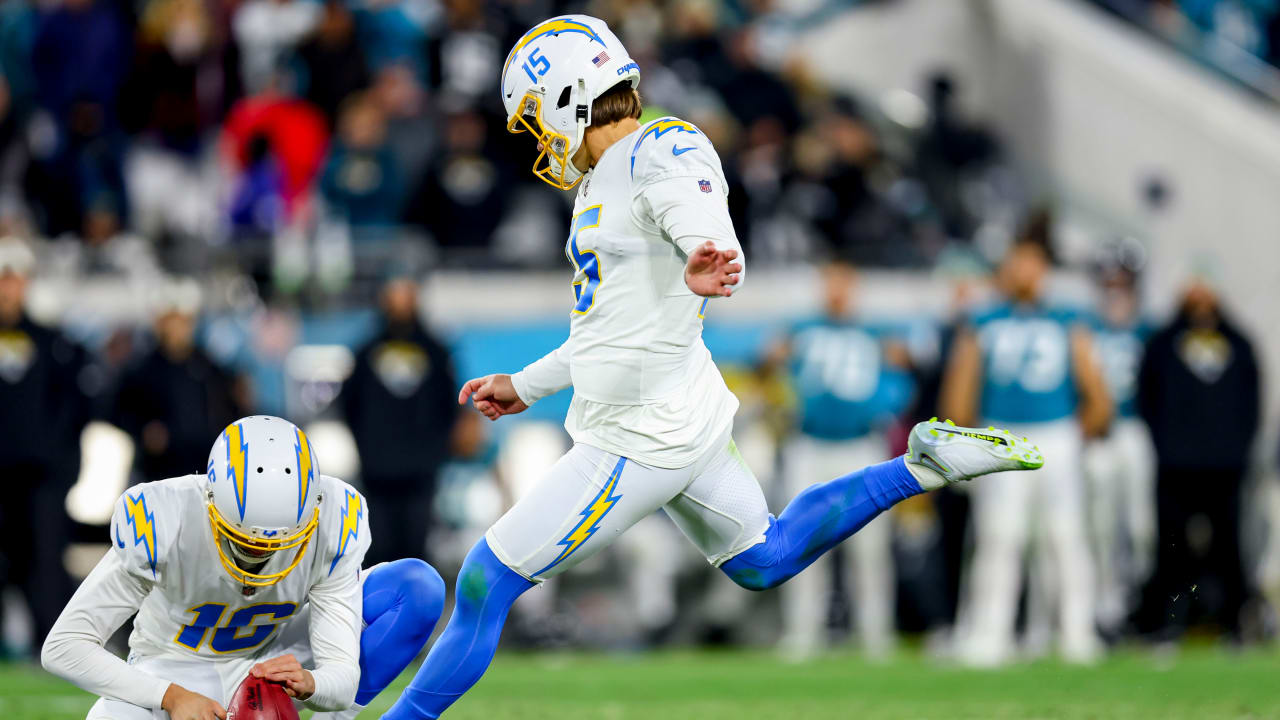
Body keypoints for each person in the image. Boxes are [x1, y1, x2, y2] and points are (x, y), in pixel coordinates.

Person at [380, 16, 1044, 719]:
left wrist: (711, 253)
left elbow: (704, 224)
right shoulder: (605, 177)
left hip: (639, 438)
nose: (537, 139)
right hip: (673, 410)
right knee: (764, 557)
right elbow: (607, 331)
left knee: (486, 579)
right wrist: (525, 384)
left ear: (569, 98)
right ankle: (922, 466)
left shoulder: (656, 147)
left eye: (535, 119)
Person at [42, 415, 445, 720]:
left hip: (275, 656)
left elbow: (341, 679)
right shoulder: (165, 516)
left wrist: (312, 683)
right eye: (244, 539)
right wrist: (170, 696)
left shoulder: (334, 519)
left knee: (416, 589)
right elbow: (64, 647)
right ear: (211, 498)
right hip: (173, 667)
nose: (258, 555)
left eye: (276, 543)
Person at [942, 235, 1112, 665]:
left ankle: (1078, 633)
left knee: (1066, 535)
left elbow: (1096, 392)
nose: (1024, 272)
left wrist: (1077, 437)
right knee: (999, 535)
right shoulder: (983, 320)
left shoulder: (1067, 320)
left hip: (1056, 432)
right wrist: (965, 441)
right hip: (1001, 434)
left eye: (1032, 263)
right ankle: (989, 635)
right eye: (1018, 262)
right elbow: (960, 389)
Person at [764, 258, 916, 659]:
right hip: (809, 443)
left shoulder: (876, 334)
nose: (836, 290)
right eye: (830, 282)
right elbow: (769, 368)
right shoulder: (800, 330)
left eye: (843, 282)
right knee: (799, 540)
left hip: (859, 445)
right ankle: (802, 632)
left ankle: (875, 633)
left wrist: (880, 408)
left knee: (870, 545)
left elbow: (904, 382)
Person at [1135, 274, 1260, 641]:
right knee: (1171, 549)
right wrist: (1166, 445)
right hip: (1176, 465)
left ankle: (1234, 624)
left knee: (1229, 548)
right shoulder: (1162, 342)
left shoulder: (1238, 342)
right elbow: (1148, 397)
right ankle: (1166, 623)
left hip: (1225, 466)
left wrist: (1237, 450)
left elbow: (1250, 401)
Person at [0, 238, 85, 650]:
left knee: (45, 565)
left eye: (14, 279)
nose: (8, 288)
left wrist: (64, 467)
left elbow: (73, 408)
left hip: (40, 479)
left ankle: (51, 649)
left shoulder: (53, 343)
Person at [339, 275, 458, 566]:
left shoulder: (436, 352)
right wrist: (367, 447)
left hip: (420, 470)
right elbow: (348, 404)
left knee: (416, 549)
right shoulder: (366, 353)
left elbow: (449, 405)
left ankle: (416, 609)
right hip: (378, 470)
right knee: (379, 550)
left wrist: (435, 448)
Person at [1083, 246, 1156, 638]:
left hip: (1135, 428)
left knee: (1142, 523)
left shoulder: (1149, 329)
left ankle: (1138, 599)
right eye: (1109, 282)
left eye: (1122, 282)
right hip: (1099, 432)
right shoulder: (1085, 327)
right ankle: (1106, 602)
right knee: (1100, 522)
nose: (1115, 290)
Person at [112, 278, 244, 483]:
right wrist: (143, 433)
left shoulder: (209, 368)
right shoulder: (142, 370)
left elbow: (229, 410)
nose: (178, 328)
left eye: (183, 321)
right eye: (171, 320)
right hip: (159, 473)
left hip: (205, 469)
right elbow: (121, 413)